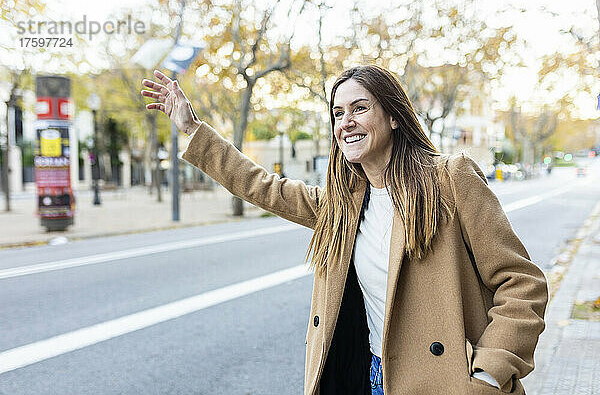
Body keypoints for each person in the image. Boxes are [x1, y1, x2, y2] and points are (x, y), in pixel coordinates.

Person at [141, 65, 548, 395]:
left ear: (392, 116)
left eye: (359, 108)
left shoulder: (450, 180)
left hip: (446, 383)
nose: (346, 123)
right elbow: (263, 186)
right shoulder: (341, 204)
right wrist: (194, 130)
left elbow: (522, 284)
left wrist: (488, 374)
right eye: (337, 113)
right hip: (371, 376)